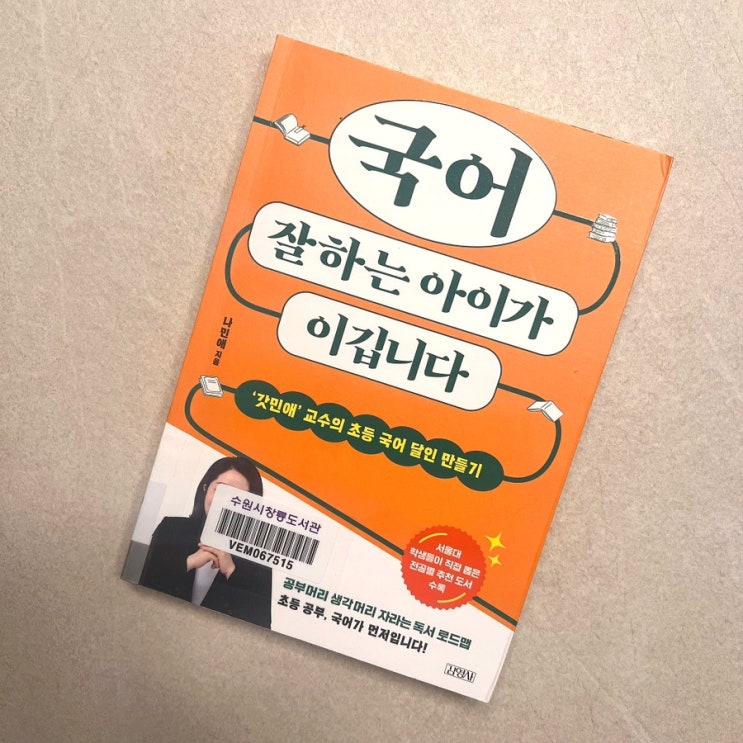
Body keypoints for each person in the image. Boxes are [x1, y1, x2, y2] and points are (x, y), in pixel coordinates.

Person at [139, 456, 272, 628]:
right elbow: (142, 585)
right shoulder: (171, 528)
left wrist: (232, 571)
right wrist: (188, 562)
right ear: (205, 488)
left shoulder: (261, 557)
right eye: (220, 490)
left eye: (238, 498)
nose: (226, 503)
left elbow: (260, 626)